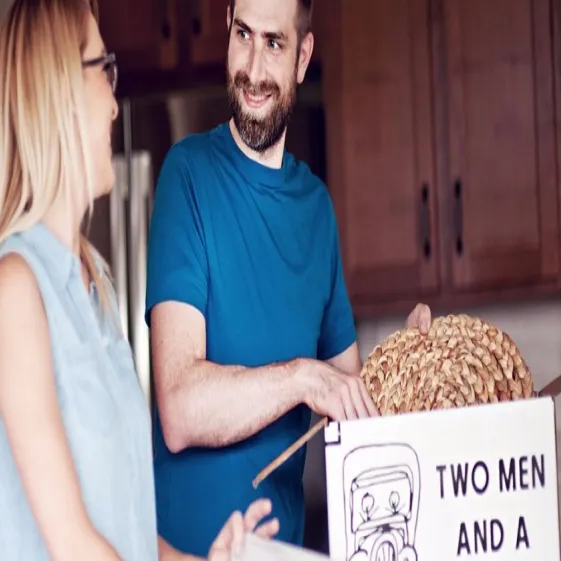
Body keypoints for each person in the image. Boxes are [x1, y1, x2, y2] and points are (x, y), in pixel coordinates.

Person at [0, 0, 279, 559]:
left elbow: (123, 530)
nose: (115, 105)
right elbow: (73, 546)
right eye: (103, 69)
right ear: (58, 85)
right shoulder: (15, 290)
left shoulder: (94, 287)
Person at [144, 0, 433, 556]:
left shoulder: (315, 210)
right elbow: (178, 408)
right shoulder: (188, 176)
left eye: (273, 44)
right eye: (242, 34)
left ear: (302, 57)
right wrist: (303, 377)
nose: (252, 69)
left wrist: (413, 361)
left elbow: (352, 400)